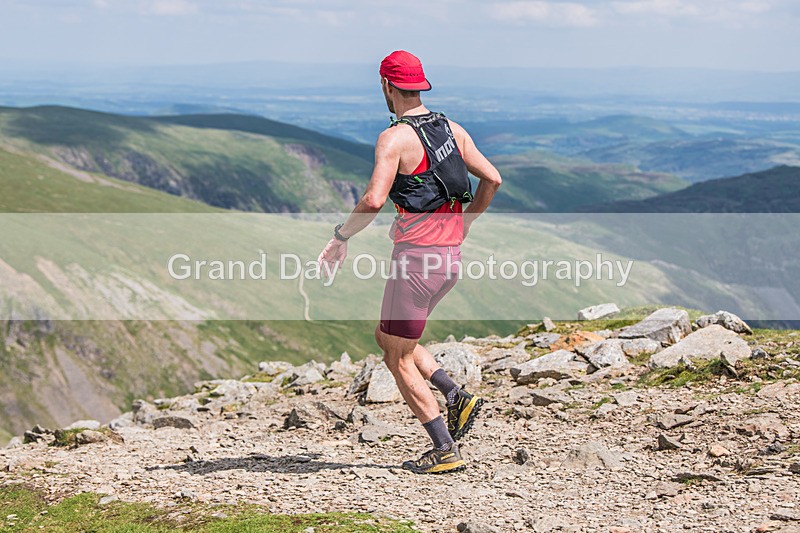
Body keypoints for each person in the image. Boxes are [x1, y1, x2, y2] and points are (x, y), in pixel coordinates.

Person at [318, 50, 502, 474]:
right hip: (448, 262)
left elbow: (374, 199)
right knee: (390, 338)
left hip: (416, 265)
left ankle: (444, 449)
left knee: (396, 358)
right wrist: (466, 223)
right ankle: (455, 395)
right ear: (420, 85)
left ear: (386, 85)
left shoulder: (395, 138)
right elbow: (492, 178)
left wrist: (341, 236)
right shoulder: (451, 129)